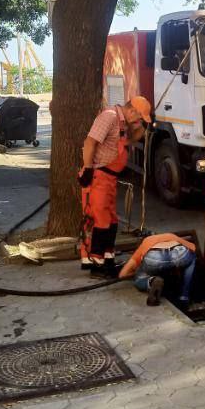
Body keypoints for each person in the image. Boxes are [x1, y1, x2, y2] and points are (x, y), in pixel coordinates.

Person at [77, 96, 152, 275]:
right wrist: (88, 168)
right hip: (99, 175)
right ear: (132, 110)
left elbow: (131, 139)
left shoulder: (122, 122)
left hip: (109, 177)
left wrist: (143, 126)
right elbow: (90, 142)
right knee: (101, 218)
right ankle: (97, 262)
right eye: (138, 117)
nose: (138, 120)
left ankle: (107, 257)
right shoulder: (109, 117)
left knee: (111, 219)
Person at [118, 233, 197, 309]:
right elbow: (193, 248)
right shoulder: (170, 235)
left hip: (155, 256)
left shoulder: (145, 243)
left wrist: (137, 272)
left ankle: (151, 281)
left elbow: (122, 274)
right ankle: (184, 297)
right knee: (191, 259)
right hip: (178, 252)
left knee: (139, 278)